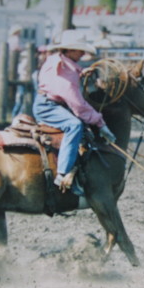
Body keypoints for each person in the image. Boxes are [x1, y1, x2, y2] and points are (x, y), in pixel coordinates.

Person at [32, 29, 116, 193]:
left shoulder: (58, 61)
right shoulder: (63, 68)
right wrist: (100, 123)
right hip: (48, 107)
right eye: (79, 50)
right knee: (74, 125)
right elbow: (77, 103)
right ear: (69, 50)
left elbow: (66, 79)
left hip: (48, 103)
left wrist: (81, 73)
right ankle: (62, 174)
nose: (83, 53)